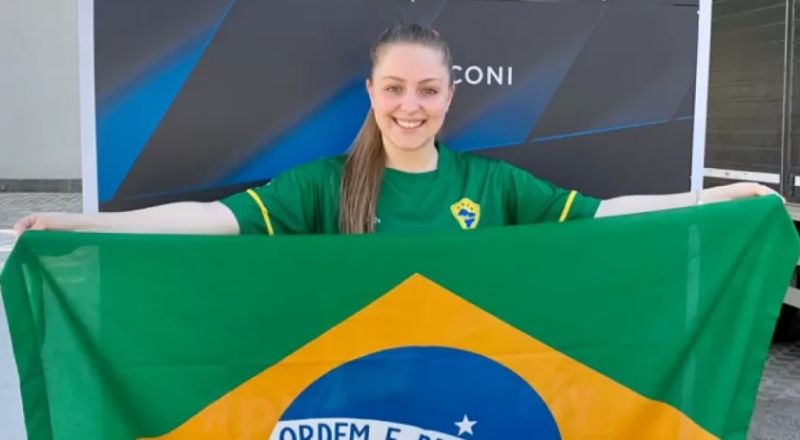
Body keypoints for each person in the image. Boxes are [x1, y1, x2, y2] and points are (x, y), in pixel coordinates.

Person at [13, 24, 780, 236]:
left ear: (451, 96)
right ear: (371, 93)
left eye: (428, 90)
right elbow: (209, 221)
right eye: (394, 88)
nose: (410, 106)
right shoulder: (324, 187)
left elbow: (608, 214)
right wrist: (80, 222)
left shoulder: (492, 185)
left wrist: (714, 199)